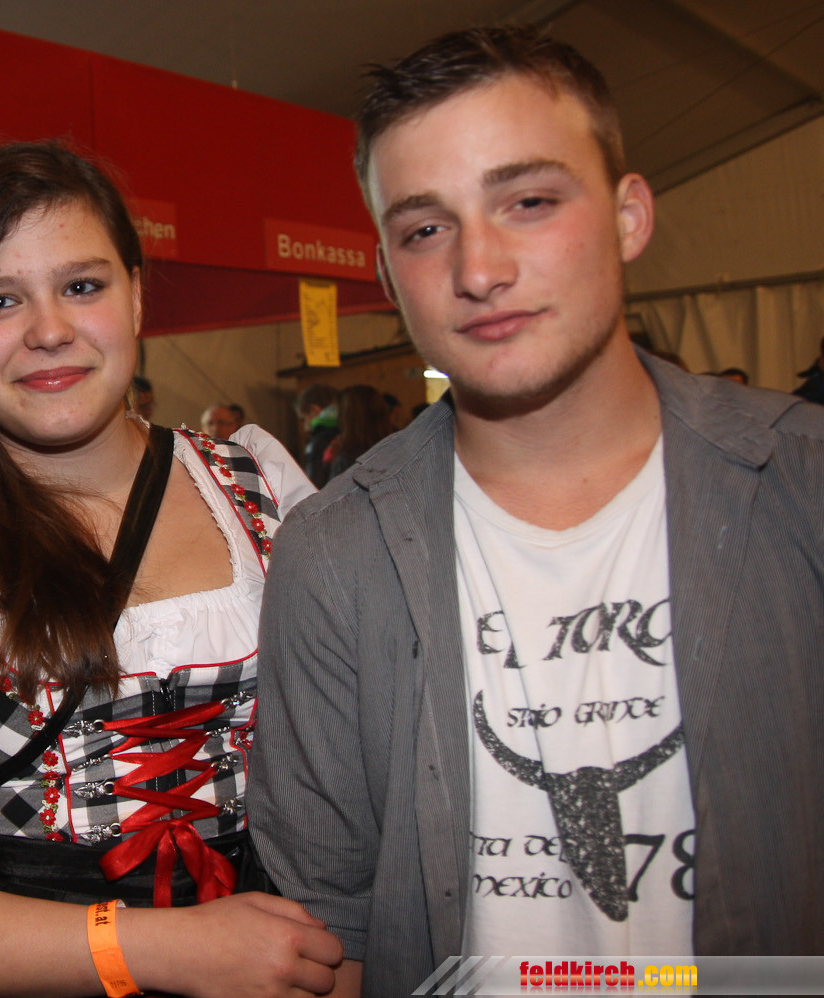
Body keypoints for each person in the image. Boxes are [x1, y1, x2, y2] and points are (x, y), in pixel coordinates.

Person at [251, 24, 824, 998]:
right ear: (386, 275)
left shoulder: (800, 487)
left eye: (528, 202)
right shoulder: (333, 554)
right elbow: (328, 928)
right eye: (425, 229)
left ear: (629, 215)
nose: (479, 268)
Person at [0, 140, 341, 998]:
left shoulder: (262, 485)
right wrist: (161, 950)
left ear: (137, 295)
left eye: (82, 286)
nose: (49, 331)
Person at [317, 384, 393, 486]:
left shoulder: (345, 459)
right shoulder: (396, 449)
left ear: (346, 417)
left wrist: (329, 464)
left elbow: (332, 494)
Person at [292, 383, 337, 488]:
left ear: (314, 409)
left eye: (303, 419)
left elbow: (314, 485)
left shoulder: (318, 442)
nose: (305, 428)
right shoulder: (351, 430)